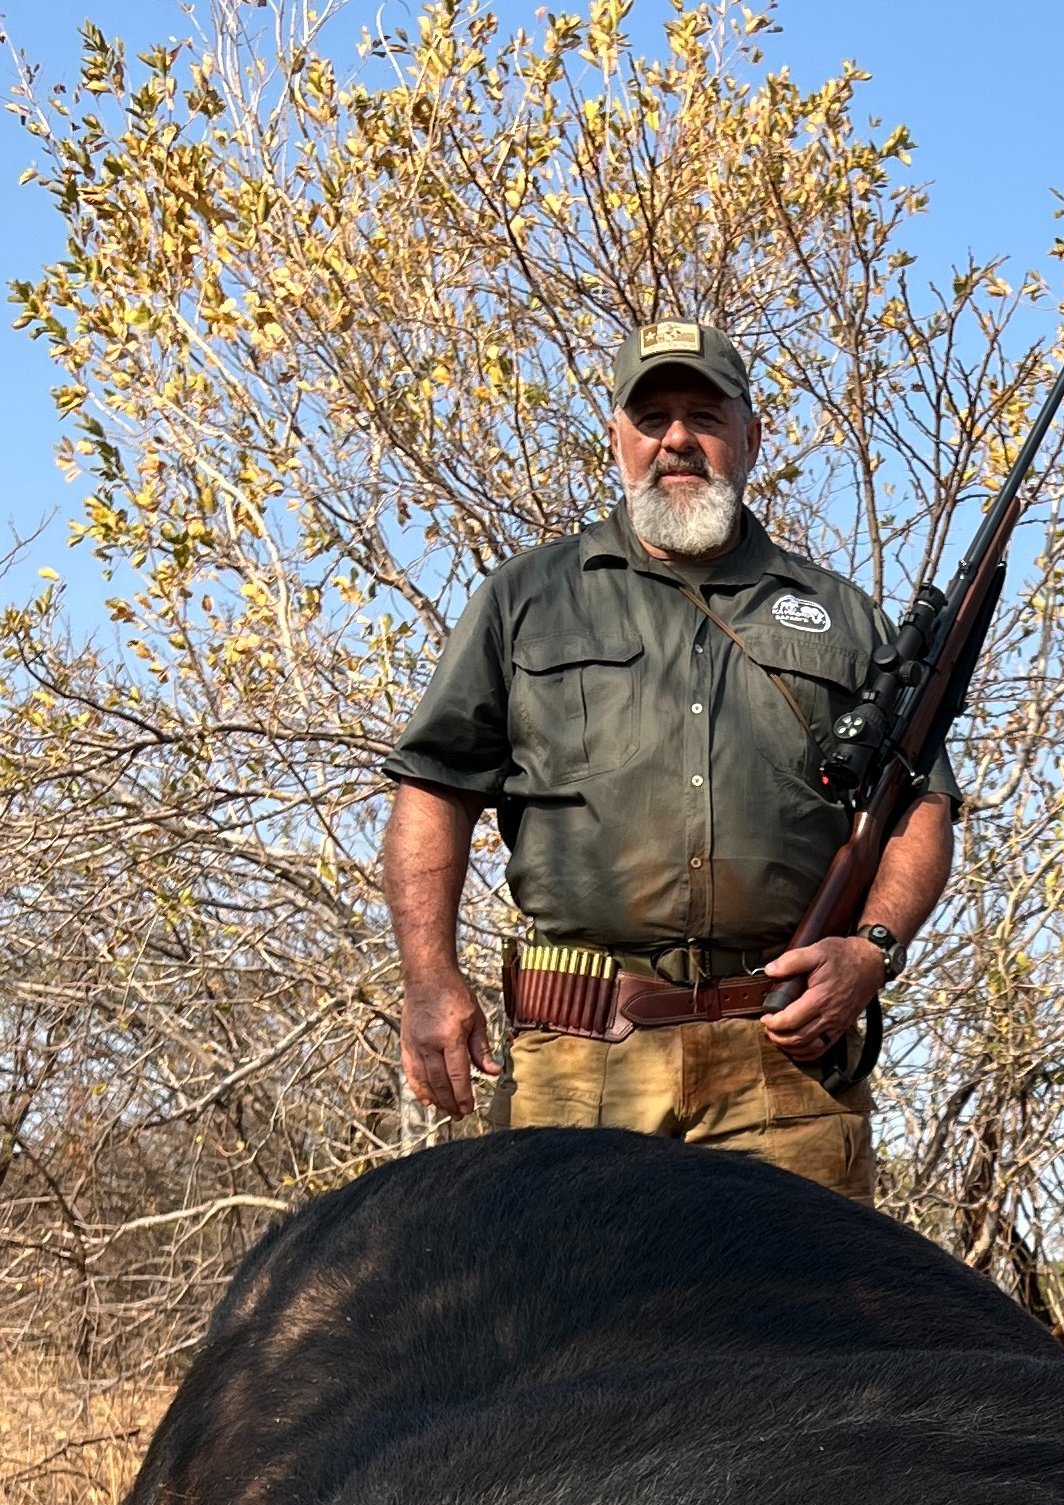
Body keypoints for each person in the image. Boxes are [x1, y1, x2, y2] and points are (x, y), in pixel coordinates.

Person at [380, 320, 958, 1201]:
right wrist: (430, 981)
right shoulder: (526, 596)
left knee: (799, 1337)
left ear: (750, 437)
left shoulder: (842, 616)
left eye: (704, 414)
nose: (677, 439)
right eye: (651, 417)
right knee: (567, 1334)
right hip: (578, 1054)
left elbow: (919, 806)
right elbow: (434, 790)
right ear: (618, 437)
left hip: (784, 1058)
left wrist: (872, 950)